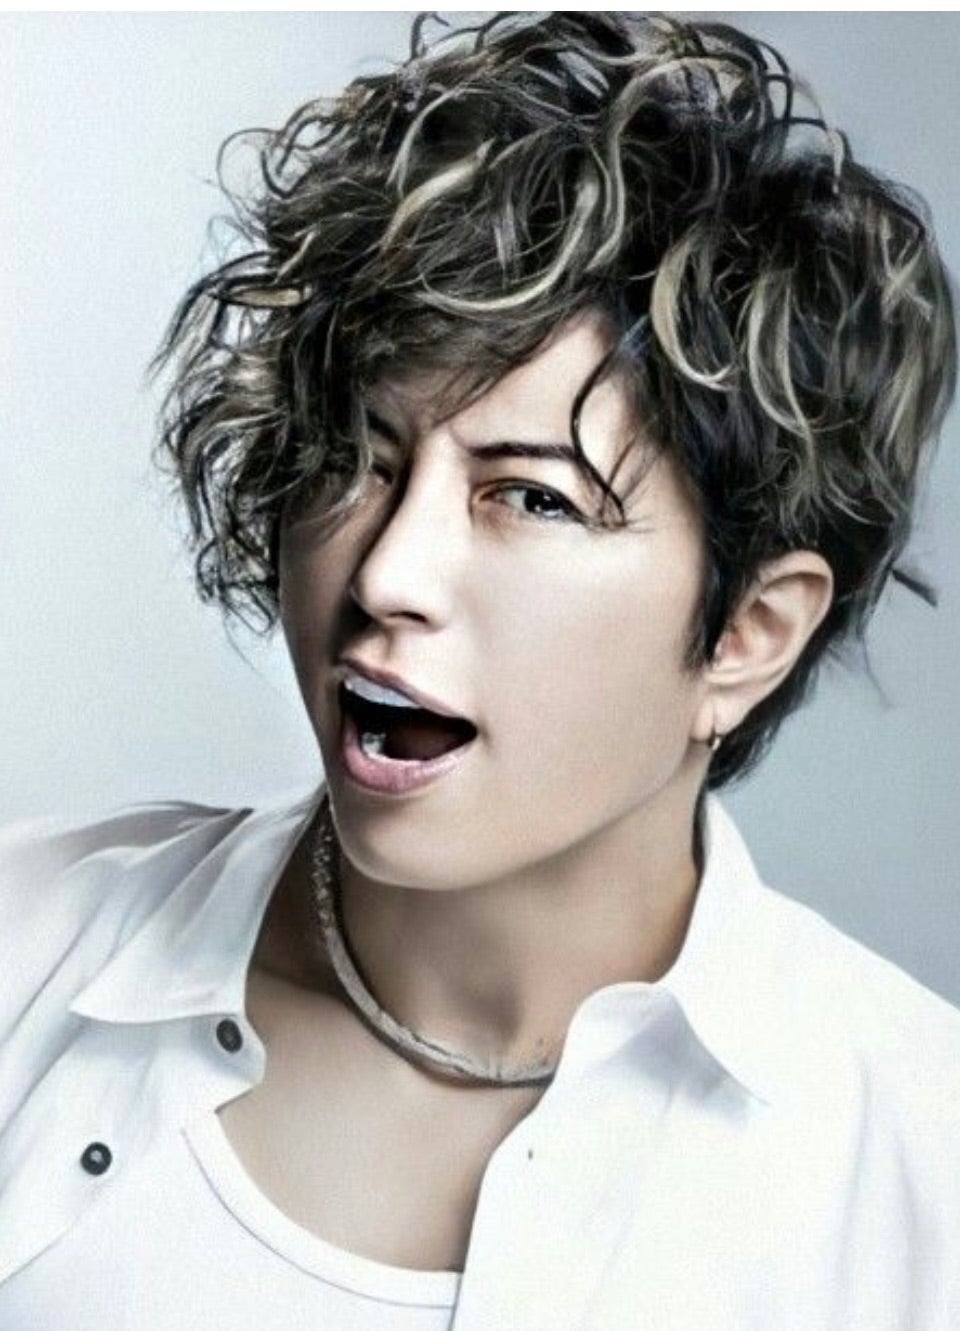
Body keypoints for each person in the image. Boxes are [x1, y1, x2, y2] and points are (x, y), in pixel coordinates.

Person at [1, 11, 958, 1329]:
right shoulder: (28, 948)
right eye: (361, 459)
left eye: (532, 498)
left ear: (747, 633)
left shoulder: (918, 1168)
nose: (387, 573)